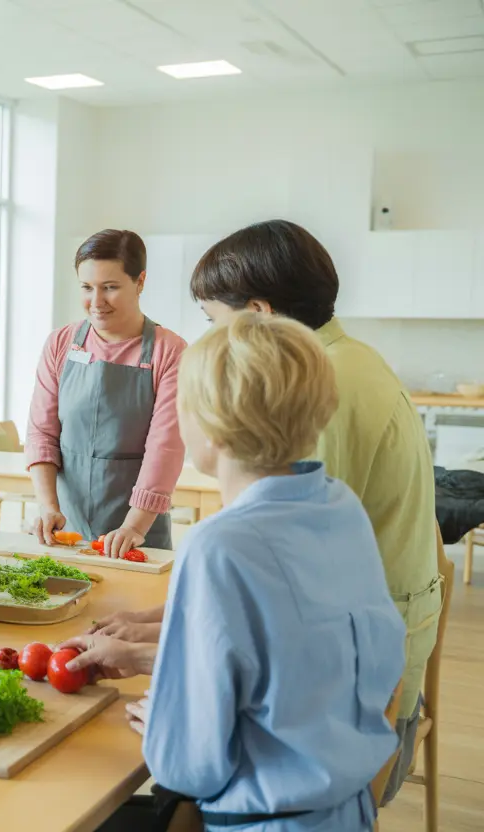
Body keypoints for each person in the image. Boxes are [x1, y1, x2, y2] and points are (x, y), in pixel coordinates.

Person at [63, 313, 406, 831]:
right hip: (349, 812)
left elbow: (189, 768)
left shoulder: (217, 544)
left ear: (210, 426)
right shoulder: (340, 507)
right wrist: (149, 658)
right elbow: (292, 657)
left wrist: (164, 721)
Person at [186, 219, 442, 803]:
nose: (212, 344)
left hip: (355, 711)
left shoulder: (320, 387)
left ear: (258, 313)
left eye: (213, 325)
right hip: (379, 665)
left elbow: (289, 580)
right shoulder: (349, 359)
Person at [26, 230, 188, 557]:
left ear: (140, 281)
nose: (96, 302)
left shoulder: (169, 351)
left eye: (110, 287)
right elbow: (42, 432)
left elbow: (165, 449)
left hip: (136, 535)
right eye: (87, 288)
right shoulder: (61, 342)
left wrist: (134, 526)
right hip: (64, 533)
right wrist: (48, 507)